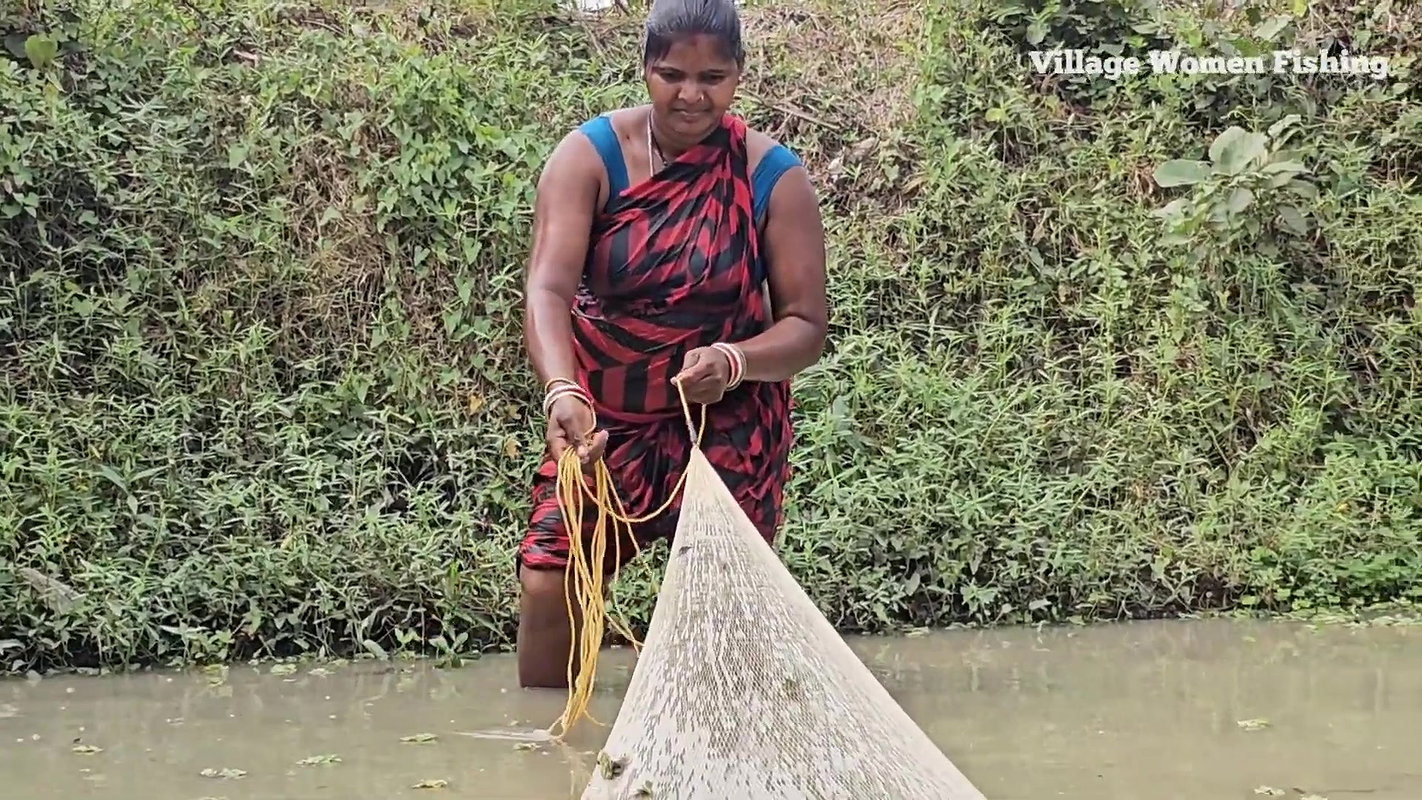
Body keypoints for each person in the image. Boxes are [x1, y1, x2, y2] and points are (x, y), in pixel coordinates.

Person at [516, 0, 829, 689]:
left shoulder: (771, 175)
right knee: (549, 580)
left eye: (713, 76)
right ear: (645, 70)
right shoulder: (590, 156)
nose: (692, 95)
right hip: (607, 422)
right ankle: (546, 744)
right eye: (672, 74)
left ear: (740, 75)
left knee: (717, 611)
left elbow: (807, 324)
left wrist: (735, 359)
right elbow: (547, 290)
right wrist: (563, 390)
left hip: (724, 424)